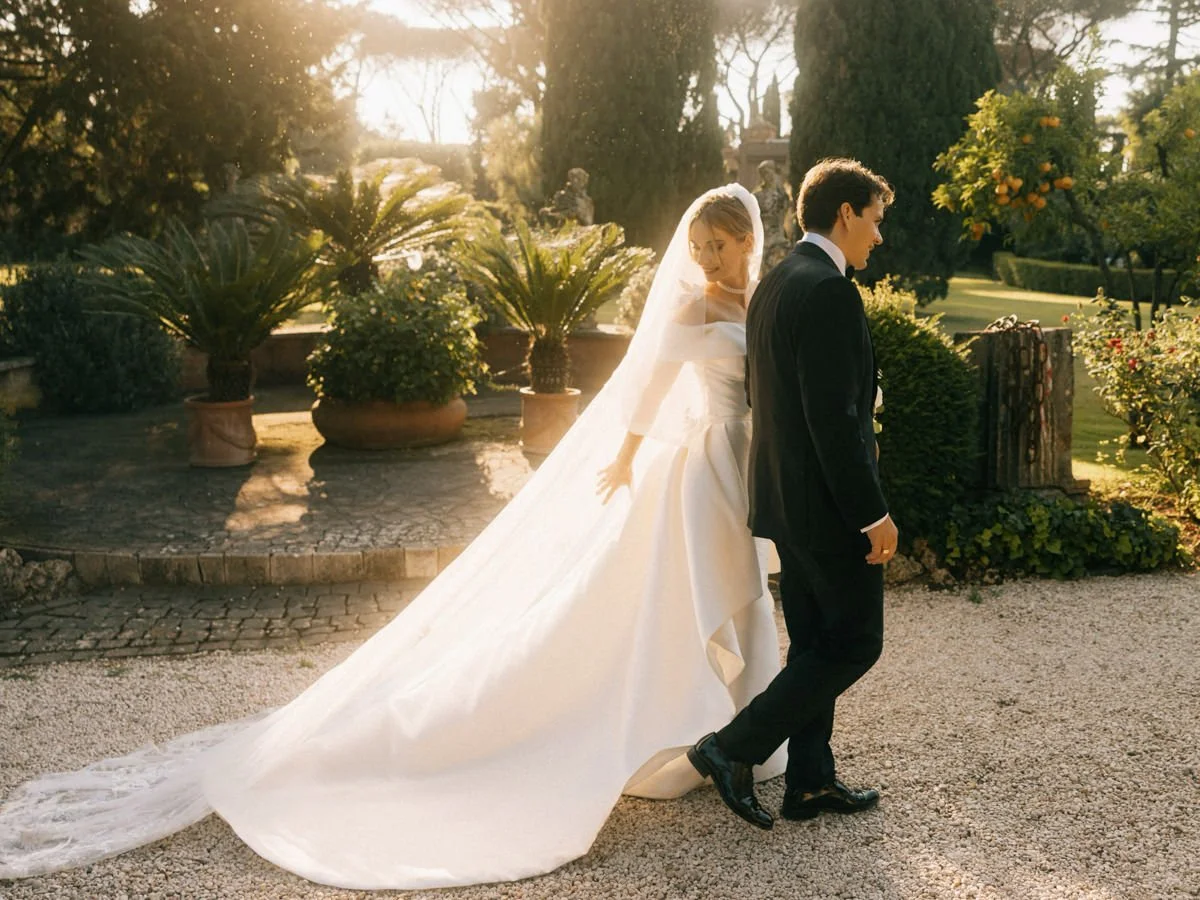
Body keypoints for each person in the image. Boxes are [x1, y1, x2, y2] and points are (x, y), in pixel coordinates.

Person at [0, 184, 785, 891]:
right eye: (699, 247)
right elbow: (646, 387)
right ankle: (689, 733)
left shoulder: (765, 299)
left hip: (749, 457)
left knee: (731, 586)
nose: (707, 258)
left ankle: (741, 726)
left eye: (719, 245)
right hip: (702, 466)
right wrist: (624, 457)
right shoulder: (691, 309)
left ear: (749, 239)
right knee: (696, 589)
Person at [686, 158, 898, 830]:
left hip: (783, 500)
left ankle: (810, 781)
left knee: (812, 646)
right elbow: (834, 421)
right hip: (829, 510)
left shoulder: (777, 280)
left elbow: (765, 395)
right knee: (856, 642)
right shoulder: (829, 290)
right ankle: (730, 747)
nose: (879, 236)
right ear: (845, 213)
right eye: (874, 220)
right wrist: (872, 513)